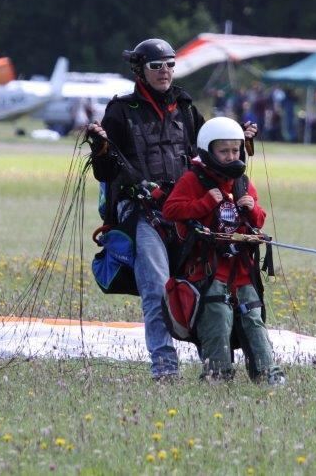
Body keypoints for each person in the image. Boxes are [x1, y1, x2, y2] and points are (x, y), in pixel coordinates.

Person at [88, 38, 255, 382]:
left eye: (170, 65)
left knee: (203, 284)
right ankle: (164, 366)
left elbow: (211, 157)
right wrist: (101, 150)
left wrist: (238, 145)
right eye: (156, 66)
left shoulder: (186, 107)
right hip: (144, 212)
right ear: (140, 70)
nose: (165, 72)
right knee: (156, 287)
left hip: (186, 210)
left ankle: (214, 362)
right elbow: (105, 173)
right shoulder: (120, 112)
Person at [162, 117, 285, 385]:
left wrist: (251, 207)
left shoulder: (242, 182)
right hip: (209, 270)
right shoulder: (193, 180)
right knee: (217, 315)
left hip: (241, 270)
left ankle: (268, 375)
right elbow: (171, 210)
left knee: (253, 317)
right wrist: (205, 202)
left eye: (235, 150)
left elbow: (259, 220)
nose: (231, 156)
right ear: (208, 151)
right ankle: (217, 375)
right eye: (224, 151)